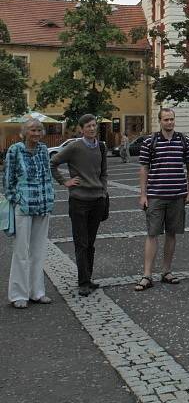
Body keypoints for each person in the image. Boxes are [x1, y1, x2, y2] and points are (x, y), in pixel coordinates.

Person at [135, 107, 189, 291]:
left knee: (172, 233)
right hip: (155, 195)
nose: (169, 122)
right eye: (166, 119)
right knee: (152, 234)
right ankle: (147, 275)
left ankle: (167, 271)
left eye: (171, 119)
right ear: (159, 121)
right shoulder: (149, 142)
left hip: (177, 195)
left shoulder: (185, 141)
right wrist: (143, 194)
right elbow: (144, 168)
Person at [51, 113, 108, 296]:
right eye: (88, 126)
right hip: (79, 201)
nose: (92, 128)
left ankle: (88, 278)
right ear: (81, 129)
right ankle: (83, 282)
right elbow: (53, 162)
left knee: (90, 243)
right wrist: (64, 181)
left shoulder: (101, 146)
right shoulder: (74, 146)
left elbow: (104, 172)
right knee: (81, 242)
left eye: (94, 125)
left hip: (97, 200)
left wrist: (103, 190)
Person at [3, 119, 55, 308]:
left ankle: (37, 292)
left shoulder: (43, 149)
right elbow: (7, 179)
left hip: (42, 205)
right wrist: (16, 198)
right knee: (21, 251)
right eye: (32, 130)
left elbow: (47, 175)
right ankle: (18, 295)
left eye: (39, 130)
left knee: (38, 251)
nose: (36, 133)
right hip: (23, 207)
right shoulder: (15, 150)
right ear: (25, 132)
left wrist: (50, 196)